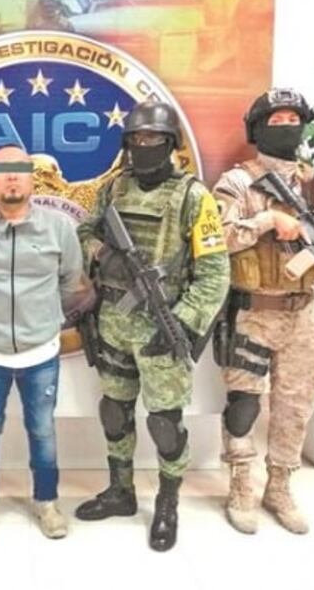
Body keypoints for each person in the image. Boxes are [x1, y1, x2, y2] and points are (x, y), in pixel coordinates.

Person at [75, 100, 230, 551]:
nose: (144, 146)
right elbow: (85, 232)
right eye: (137, 139)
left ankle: (167, 501)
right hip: (114, 322)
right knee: (115, 411)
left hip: (164, 327)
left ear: (170, 144)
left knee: (165, 422)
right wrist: (104, 255)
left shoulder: (193, 197)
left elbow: (214, 273)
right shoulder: (114, 188)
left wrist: (182, 322)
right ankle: (120, 491)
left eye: (154, 139)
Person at [0, 145, 90, 541]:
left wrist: (41, 316)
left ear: (31, 178)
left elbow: (70, 280)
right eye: (3, 170)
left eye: (19, 170)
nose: (11, 177)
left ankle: (47, 502)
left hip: (41, 351)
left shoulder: (59, 229)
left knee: (42, 430)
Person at [211, 88, 314, 535]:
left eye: (294, 121)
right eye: (276, 122)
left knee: (296, 405)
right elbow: (216, 239)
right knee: (243, 403)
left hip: (305, 312)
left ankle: (279, 486)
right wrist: (267, 221)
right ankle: (241, 484)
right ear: (257, 129)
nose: (287, 128)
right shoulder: (237, 183)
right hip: (254, 311)